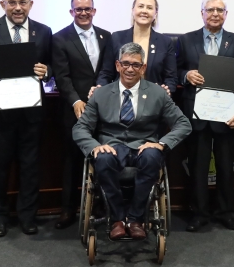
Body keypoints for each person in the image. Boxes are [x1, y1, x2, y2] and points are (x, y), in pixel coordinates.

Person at [72, 43, 191, 240]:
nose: (130, 69)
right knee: (102, 158)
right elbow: (80, 128)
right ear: (117, 65)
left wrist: (161, 144)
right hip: (112, 146)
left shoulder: (158, 93)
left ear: (143, 68)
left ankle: (136, 219)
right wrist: (95, 147)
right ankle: (117, 219)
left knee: (153, 156)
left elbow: (183, 124)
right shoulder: (101, 94)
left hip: (144, 146)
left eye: (135, 65)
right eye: (125, 64)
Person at [0, 0, 52, 237]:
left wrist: (46, 71)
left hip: (32, 113)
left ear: (31, 4)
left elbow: (52, 66)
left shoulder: (44, 31)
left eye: (22, 2)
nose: (18, 8)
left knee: (30, 166)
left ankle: (28, 216)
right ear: (3, 4)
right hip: (0, 112)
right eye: (12, 3)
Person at [176, 0, 234, 232]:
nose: (215, 14)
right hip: (196, 115)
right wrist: (186, 75)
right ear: (202, 13)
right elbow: (173, 71)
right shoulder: (185, 40)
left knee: (226, 167)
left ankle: (226, 212)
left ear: (226, 14)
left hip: (226, 116)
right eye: (210, 10)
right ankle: (199, 213)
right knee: (197, 167)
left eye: (220, 10)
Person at [51, 0, 112, 229]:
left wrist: (102, 89)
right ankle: (68, 209)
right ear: (72, 12)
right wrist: (76, 101)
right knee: (72, 161)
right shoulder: (60, 38)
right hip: (73, 110)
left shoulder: (106, 36)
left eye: (88, 9)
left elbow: (108, 70)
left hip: (103, 109)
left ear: (94, 11)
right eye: (79, 9)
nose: (84, 13)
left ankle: (100, 207)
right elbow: (62, 76)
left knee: (102, 157)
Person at [96, 0, 177, 95]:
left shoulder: (165, 42)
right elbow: (106, 73)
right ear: (133, 10)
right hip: (120, 97)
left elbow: (171, 78)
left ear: (155, 13)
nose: (144, 11)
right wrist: (100, 88)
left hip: (152, 98)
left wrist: (167, 90)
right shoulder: (116, 38)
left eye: (149, 8)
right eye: (140, 6)